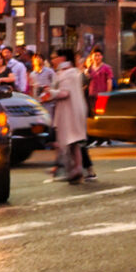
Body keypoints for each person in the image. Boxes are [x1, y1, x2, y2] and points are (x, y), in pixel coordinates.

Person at [43, 48, 89, 184]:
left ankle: (71, 169)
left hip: (69, 111)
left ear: (63, 58)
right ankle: (77, 169)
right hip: (76, 109)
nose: (53, 60)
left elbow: (64, 93)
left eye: (55, 57)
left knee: (68, 141)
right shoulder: (75, 72)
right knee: (74, 142)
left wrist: (49, 93)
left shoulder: (66, 74)